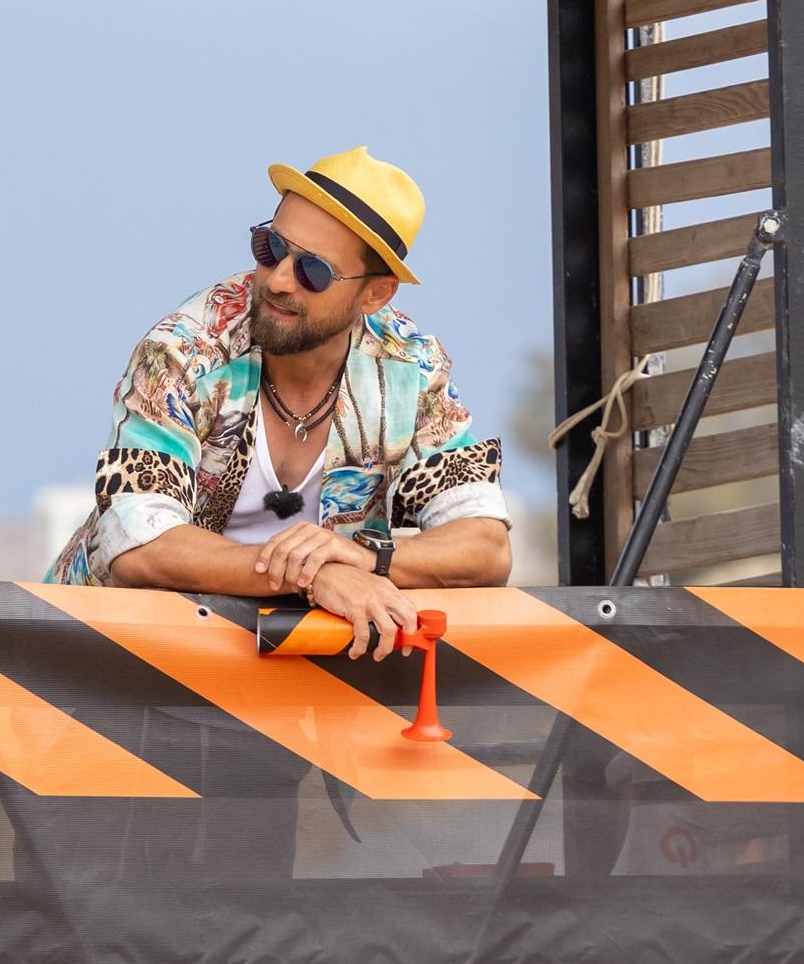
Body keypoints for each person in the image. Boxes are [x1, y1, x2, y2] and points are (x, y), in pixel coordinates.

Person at [46, 147, 512, 653]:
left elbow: (486, 547)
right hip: (111, 657)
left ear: (376, 294)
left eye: (314, 271)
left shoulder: (411, 370)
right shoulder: (184, 350)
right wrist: (312, 575)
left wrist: (364, 559)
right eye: (270, 247)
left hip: (301, 670)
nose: (278, 279)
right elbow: (137, 544)